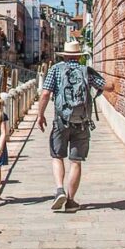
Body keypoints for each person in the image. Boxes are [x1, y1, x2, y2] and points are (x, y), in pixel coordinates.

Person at [36, 41, 105, 212]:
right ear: (79, 56)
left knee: (57, 156)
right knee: (76, 162)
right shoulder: (85, 71)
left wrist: (40, 115)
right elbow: (106, 86)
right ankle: (71, 200)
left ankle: (59, 189)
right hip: (81, 121)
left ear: (65, 55)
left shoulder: (56, 69)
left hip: (61, 120)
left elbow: (45, 93)